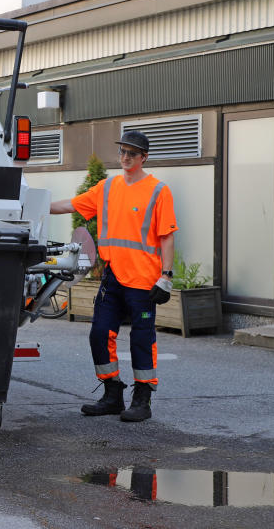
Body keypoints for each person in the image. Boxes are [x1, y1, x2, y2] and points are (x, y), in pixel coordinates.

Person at [50, 130, 177, 422]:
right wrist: (34, 205)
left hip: (144, 281)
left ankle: (142, 400)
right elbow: (71, 204)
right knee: (99, 334)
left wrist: (166, 277)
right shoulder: (108, 187)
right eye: (122, 152)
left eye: (132, 153)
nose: (126, 157)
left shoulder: (158, 190)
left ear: (144, 157)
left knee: (141, 340)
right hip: (114, 277)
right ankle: (112, 394)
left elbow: (167, 236)